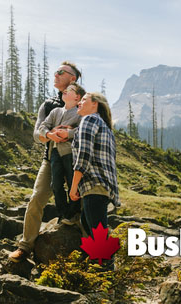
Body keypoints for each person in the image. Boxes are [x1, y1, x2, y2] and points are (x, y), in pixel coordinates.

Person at [9, 61, 82, 262]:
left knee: (83, 200)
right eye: (55, 71)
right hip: (51, 160)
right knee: (36, 198)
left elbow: (95, 128)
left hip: (80, 162)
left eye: (61, 72)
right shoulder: (49, 104)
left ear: (72, 79)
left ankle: (92, 248)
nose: (56, 75)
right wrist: (49, 135)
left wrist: (69, 134)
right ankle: (25, 246)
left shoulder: (84, 102)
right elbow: (36, 134)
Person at [69, 92, 120, 255]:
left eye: (84, 99)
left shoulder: (89, 120)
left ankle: (107, 276)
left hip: (94, 184)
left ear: (95, 104)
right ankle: (98, 271)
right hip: (102, 187)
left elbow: (84, 154)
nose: (79, 102)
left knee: (99, 239)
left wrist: (74, 185)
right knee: (93, 229)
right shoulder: (105, 127)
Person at [38, 82, 86, 225]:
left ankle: (73, 213)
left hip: (70, 153)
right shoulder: (55, 112)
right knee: (55, 184)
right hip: (54, 152)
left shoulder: (80, 114)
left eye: (69, 90)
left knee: (72, 183)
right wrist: (50, 134)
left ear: (77, 98)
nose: (65, 91)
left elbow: (82, 130)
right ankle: (63, 213)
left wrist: (68, 133)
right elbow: (42, 127)